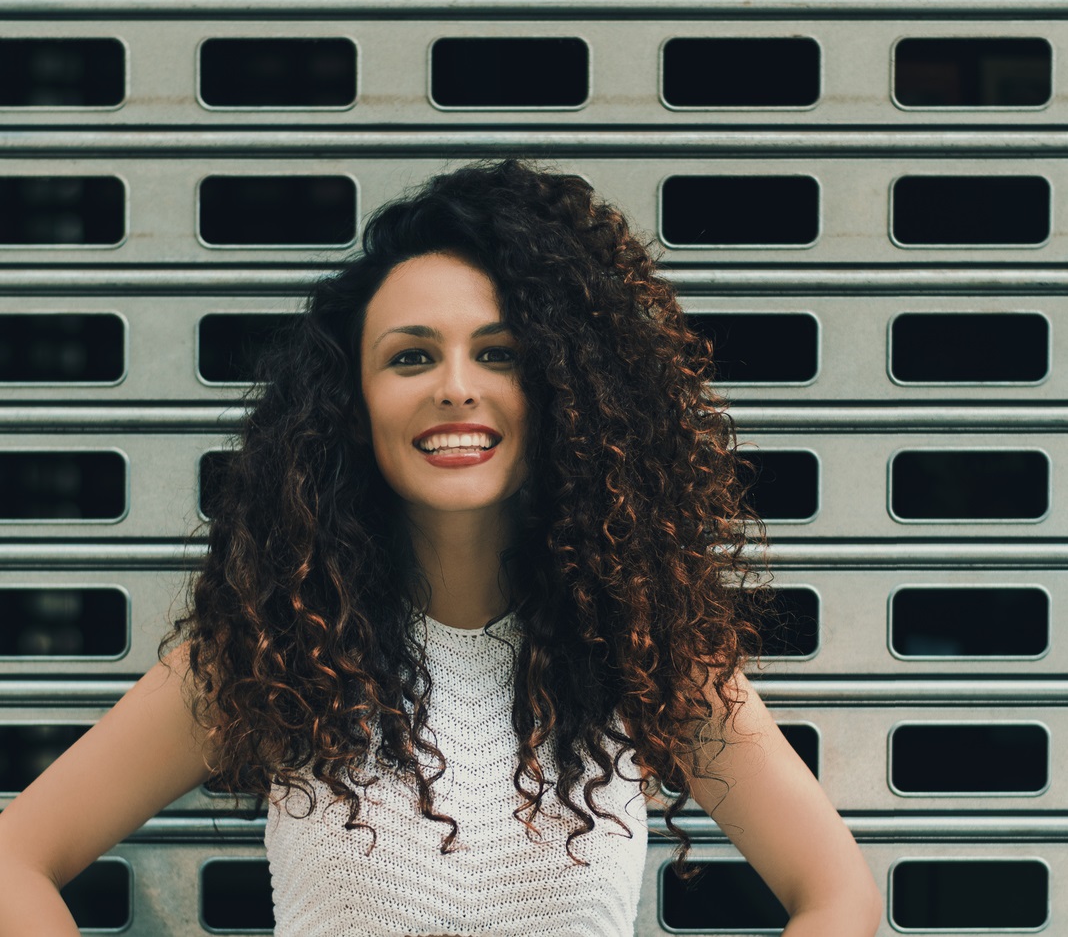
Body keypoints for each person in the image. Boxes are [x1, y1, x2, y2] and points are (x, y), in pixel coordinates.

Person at [0, 159, 881, 936]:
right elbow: (14, 865)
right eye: (411, 358)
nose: (457, 389)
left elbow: (836, 892)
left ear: (564, 392)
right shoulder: (274, 649)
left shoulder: (640, 647)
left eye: (498, 354)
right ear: (354, 402)